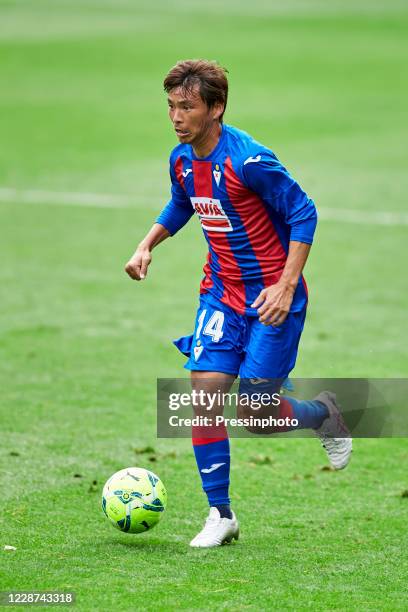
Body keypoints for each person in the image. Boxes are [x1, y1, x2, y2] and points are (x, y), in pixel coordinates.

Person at [125, 59, 352, 548]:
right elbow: (182, 202)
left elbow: (304, 212)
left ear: (216, 108)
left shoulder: (249, 160)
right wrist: (147, 244)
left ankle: (323, 415)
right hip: (220, 294)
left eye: (187, 107)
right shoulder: (182, 159)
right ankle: (220, 513)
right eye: (170, 107)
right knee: (203, 394)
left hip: (273, 299)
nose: (176, 117)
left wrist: (287, 286)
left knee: (256, 414)